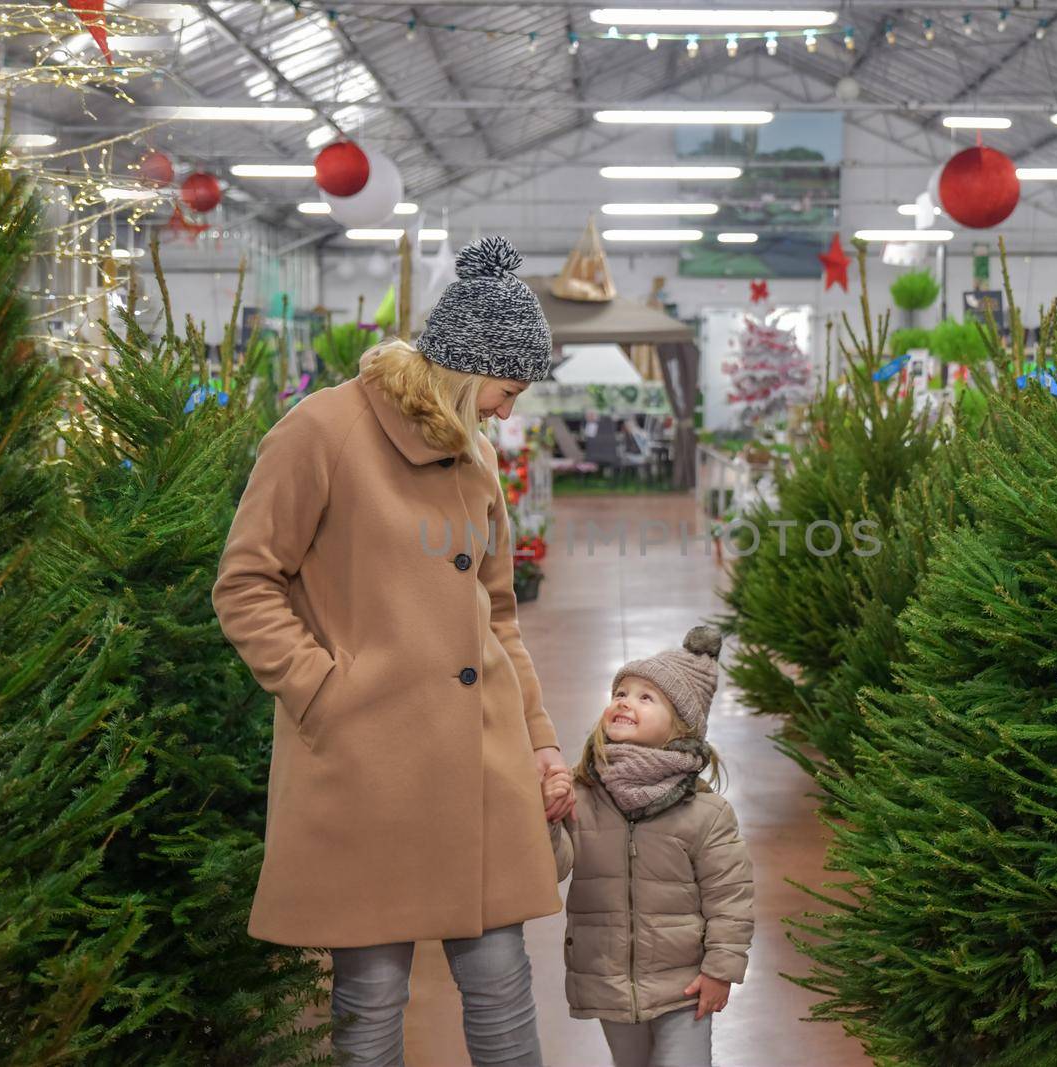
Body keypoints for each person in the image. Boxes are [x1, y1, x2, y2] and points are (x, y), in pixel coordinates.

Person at [212, 235, 575, 1067]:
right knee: (371, 998)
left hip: (481, 762)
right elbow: (245, 583)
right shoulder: (320, 431)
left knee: (503, 984)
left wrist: (542, 739)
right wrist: (325, 691)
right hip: (366, 764)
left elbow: (497, 611)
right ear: (463, 368)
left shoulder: (474, 453)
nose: (507, 414)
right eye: (505, 391)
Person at [540, 626, 755, 1067]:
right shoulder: (584, 797)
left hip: (686, 985)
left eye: (645, 697)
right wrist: (547, 819)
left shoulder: (705, 813)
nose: (624, 701)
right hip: (609, 981)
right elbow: (554, 868)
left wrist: (720, 970)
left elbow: (730, 898)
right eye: (620, 691)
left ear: (681, 725)